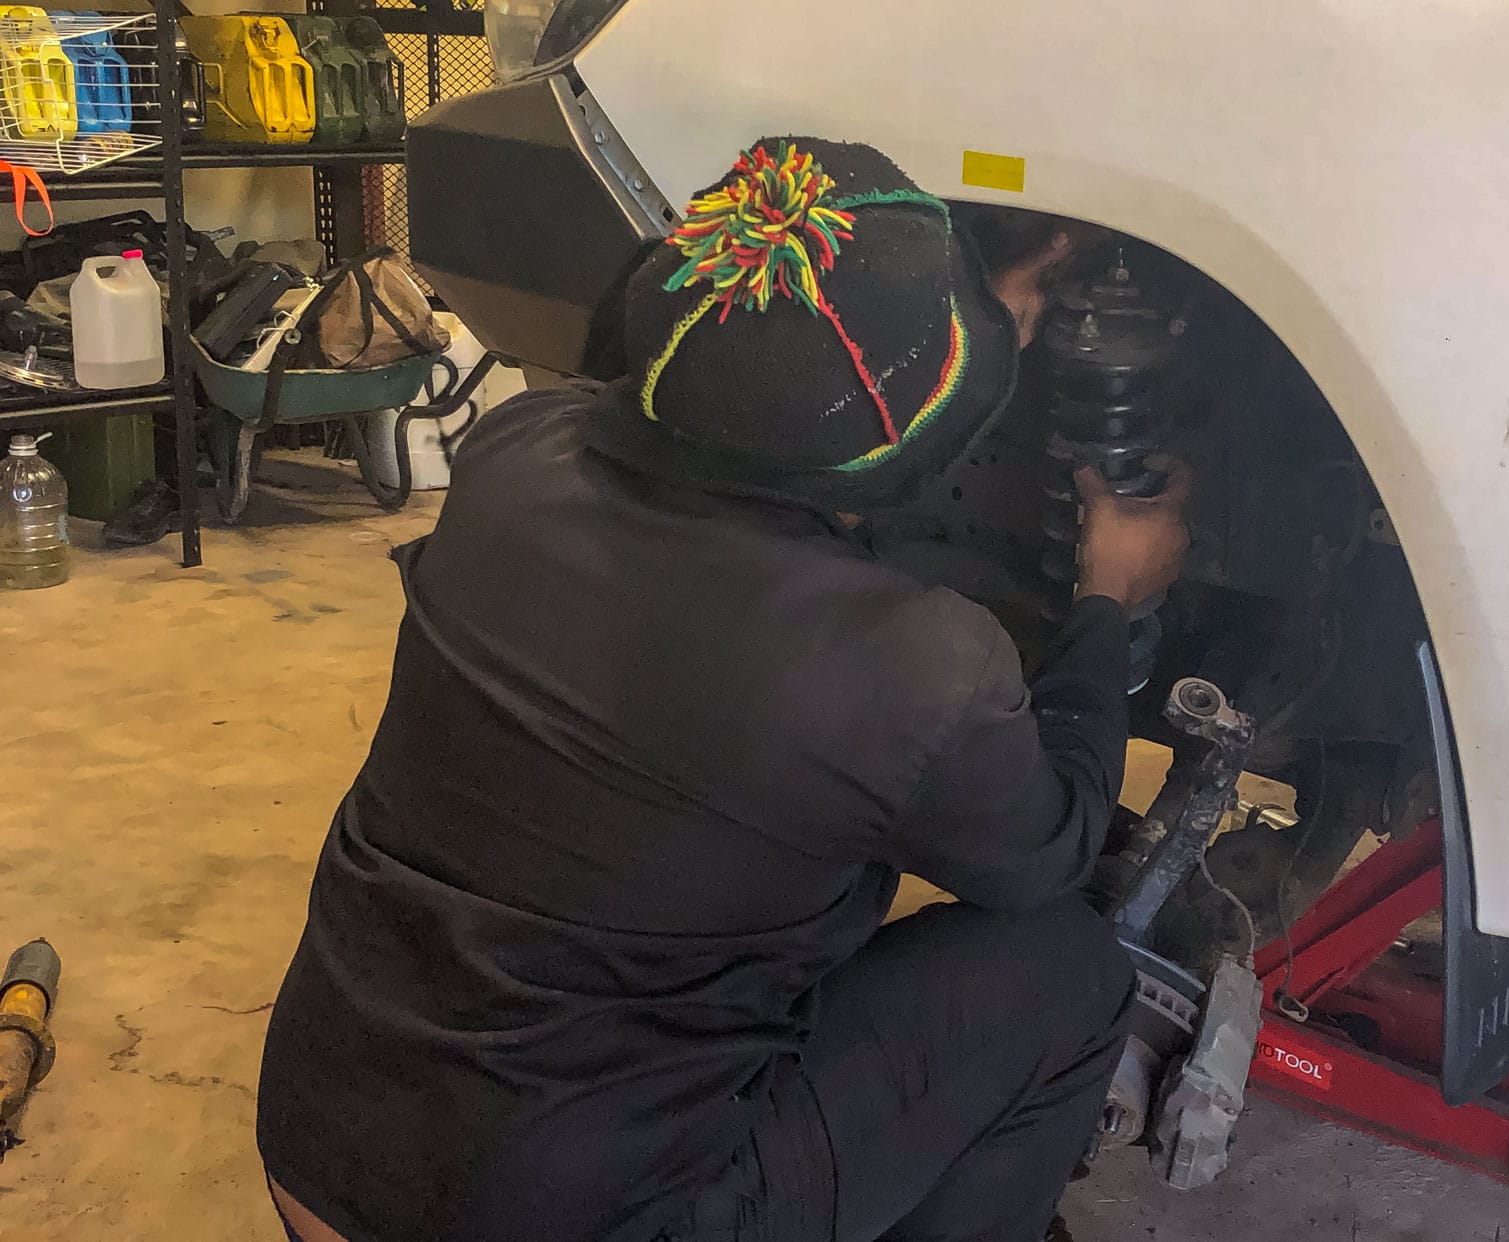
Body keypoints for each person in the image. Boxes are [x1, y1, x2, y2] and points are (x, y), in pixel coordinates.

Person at [256, 137, 1191, 1242]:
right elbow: (1054, 849)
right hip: (583, 1221)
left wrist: (940, 325)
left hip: (318, 1154)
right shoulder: (920, 669)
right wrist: (1108, 600)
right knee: (1063, 971)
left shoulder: (513, 458)